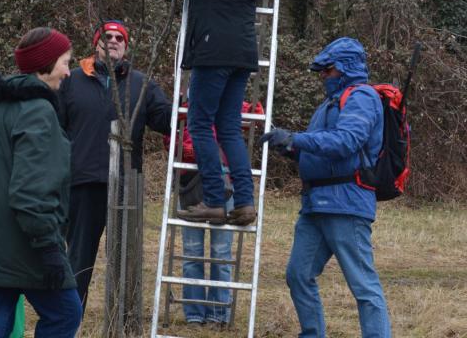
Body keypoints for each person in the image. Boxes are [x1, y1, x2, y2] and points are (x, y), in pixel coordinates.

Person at [260, 37, 392, 337]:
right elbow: (320, 147)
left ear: (345, 68)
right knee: (298, 274)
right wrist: (289, 148)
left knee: (363, 286)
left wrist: (297, 138)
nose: (323, 75)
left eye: (328, 69)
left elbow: (346, 142)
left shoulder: (361, 98)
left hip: (346, 204)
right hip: (315, 204)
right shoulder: (329, 103)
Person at [0, 27, 82, 338]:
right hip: (22, 239)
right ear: (46, 64)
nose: (68, 72)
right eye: (65, 63)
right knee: (65, 313)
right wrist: (49, 248)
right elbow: (31, 191)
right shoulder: (37, 111)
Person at [136, 0, 267, 226]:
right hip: (239, 53)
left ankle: (215, 200)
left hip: (214, 50)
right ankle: (244, 203)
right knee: (228, 128)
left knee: (199, 123)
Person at [58, 20, 171, 314]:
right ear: (97, 44)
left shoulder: (141, 84)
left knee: (124, 260)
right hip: (83, 184)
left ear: (126, 45)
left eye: (119, 37)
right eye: (106, 36)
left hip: (125, 185)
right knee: (78, 260)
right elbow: (54, 129)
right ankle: (70, 320)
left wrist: (190, 103)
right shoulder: (70, 81)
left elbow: (165, 121)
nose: (112, 40)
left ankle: (122, 320)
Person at [165, 100, 264, 328]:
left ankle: (217, 315)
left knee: (220, 252)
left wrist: (250, 110)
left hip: (224, 183)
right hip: (192, 183)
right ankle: (195, 315)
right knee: (192, 251)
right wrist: (197, 151)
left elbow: (255, 116)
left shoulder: (231, 104)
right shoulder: (185, 107)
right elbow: (170, 140)